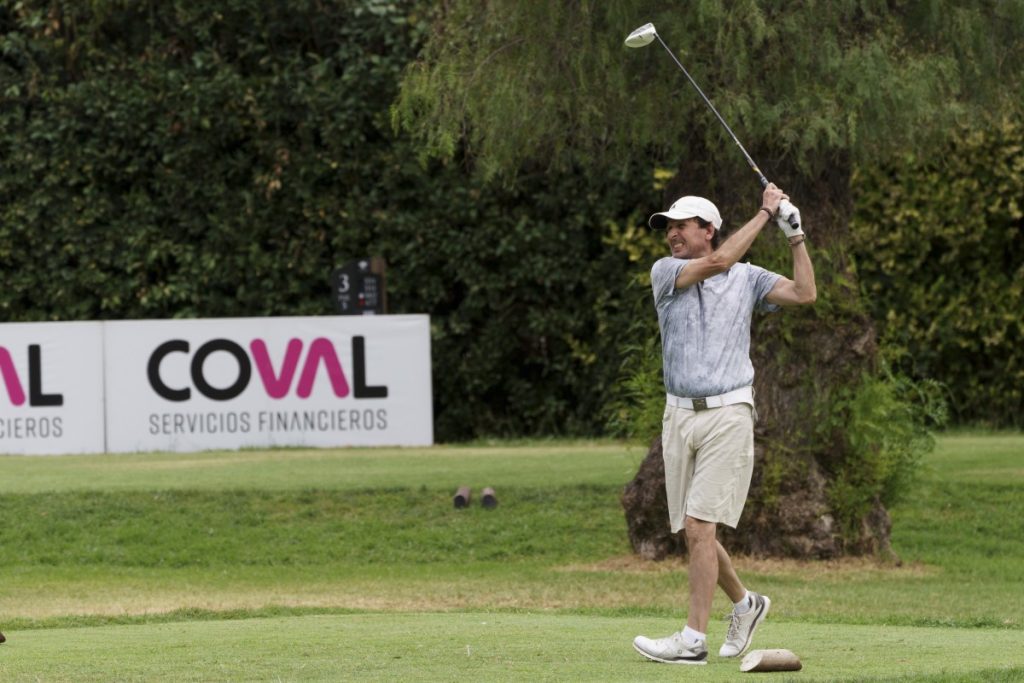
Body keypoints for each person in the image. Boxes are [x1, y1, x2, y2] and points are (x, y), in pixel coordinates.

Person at [632, 183, 817, 665]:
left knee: (699, 525)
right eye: (668, 227)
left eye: (681, 226)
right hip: (678, 415)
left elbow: (805, 293)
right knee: (695, 531)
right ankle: (746, 603)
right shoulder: (666, 271)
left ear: (708, 229)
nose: (671, 234)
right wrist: (765, 212)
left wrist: (794, 235)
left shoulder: (748, 278)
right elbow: (717, 263)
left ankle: (692, 640)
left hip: (729, 412)